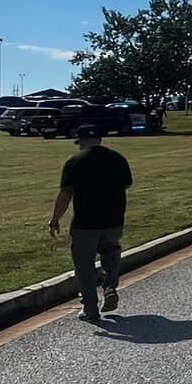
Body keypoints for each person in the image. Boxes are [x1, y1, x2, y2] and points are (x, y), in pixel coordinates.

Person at [49, 123, 134, 323]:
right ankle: (110, 287)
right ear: (99, 139)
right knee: (111, 254)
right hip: (114, 219)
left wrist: (54, 220)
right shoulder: (117, 159)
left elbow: (65, 195)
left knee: (84, 264)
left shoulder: (75, 162)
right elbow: (127, 184)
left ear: (82, 142)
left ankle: (90, 308)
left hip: (85, 223)